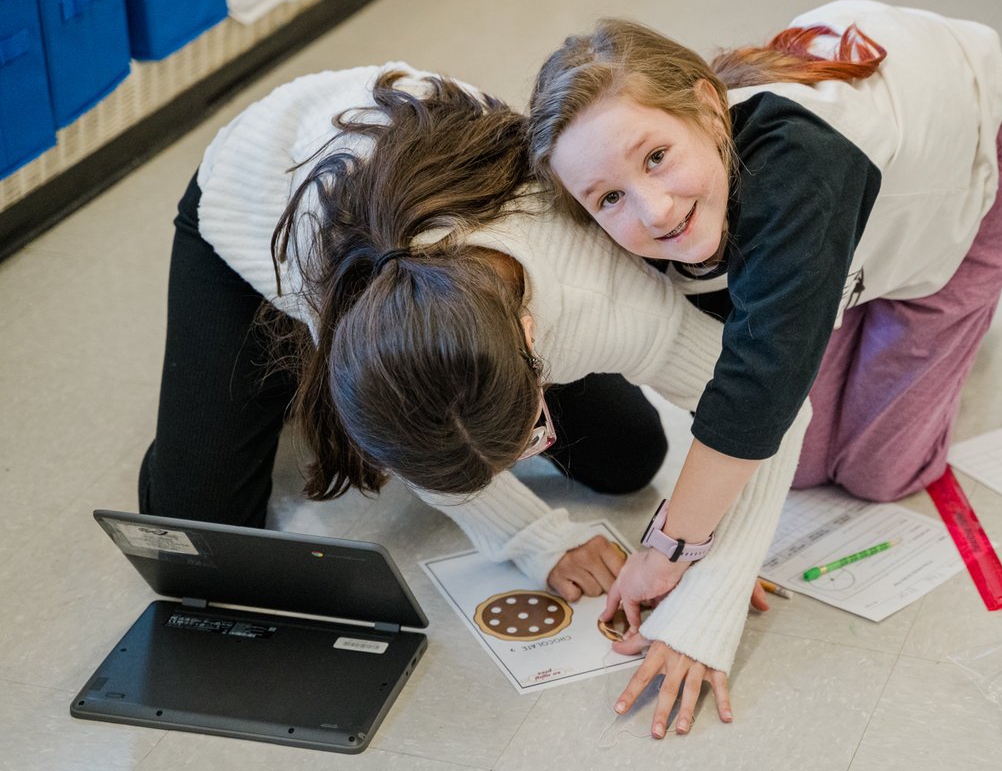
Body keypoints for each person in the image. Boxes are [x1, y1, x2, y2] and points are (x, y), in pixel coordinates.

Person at [137, 60, 787, 711]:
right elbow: (422, 424)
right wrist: (533, 539)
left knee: (630, 457)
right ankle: (266, 380)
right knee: (199, 530)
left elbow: (766, 402)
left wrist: (711, 570)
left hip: (452, 211)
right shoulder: (344, 296)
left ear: (532, 344)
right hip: (256, 194)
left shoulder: (603, 293)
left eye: (527, 432)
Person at [528, 0, 1002, 735]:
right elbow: (757, 410)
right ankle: (830, 286)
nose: (656, 209)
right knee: (799, 466)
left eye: (657, 157)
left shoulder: (800, 161)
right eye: (610, 198)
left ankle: (966, 291)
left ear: (707, 108)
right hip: (826, 224)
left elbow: (758, 388)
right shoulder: (673, 207)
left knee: (879, 473)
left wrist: (665, 550)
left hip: (957, 158)